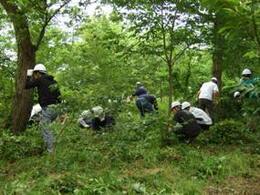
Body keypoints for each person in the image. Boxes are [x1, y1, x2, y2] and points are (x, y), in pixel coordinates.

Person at [25, 64, 61, 153]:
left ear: (38, 73)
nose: (34, 76)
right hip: (57, 108)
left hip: (48, 108)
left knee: (46, 129)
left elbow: (27, 86)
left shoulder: (40, 79)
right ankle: (49, 146)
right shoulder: (54, 82)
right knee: (46, 127)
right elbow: (59, 96)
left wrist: (28, 75)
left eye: (35, 74)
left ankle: (51, 151)